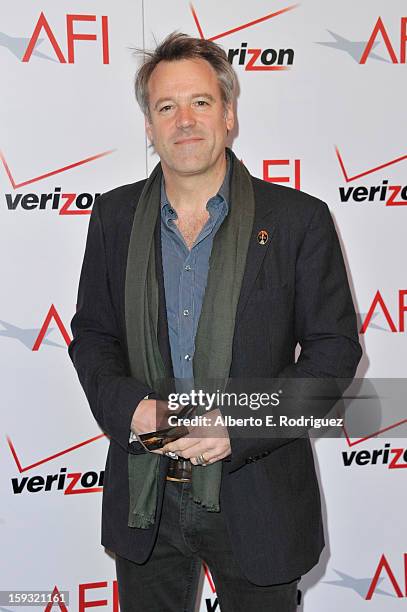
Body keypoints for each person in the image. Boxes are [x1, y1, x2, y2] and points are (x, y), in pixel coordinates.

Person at [68, 31, 362, 612]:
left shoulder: (299, 220)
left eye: (201, 102)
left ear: (229, 115)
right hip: (145, 498)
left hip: (259, 499)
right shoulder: (114, 216)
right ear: (149, 127)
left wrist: (237, 426)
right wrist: (134, 410)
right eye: (166, 107)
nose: (185, 121)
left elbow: (334, 355)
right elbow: (94, 337)